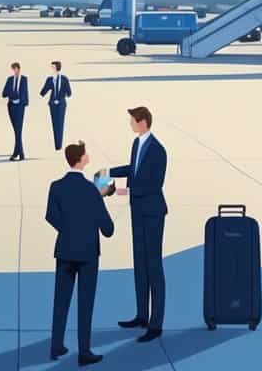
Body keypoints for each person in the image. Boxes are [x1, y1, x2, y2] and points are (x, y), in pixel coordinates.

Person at [46, 140, 114, 366]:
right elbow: (108, 229)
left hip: (65, 250)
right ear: (81, 159)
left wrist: (68, 229)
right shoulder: (92, 190)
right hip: (87, 254)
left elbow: (51, 216)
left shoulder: (56, 186)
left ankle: (56, 345)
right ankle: (84, 351)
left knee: (61, 299)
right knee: (85, 304)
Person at [108, 106, 168, 343]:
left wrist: (121, 190)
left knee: (153, 265)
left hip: (153, 213)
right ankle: (142, 315)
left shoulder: (158, 150)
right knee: (140, 264)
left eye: (132, 120)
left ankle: (156, 324)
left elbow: (154, 185)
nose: (130, 124)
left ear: (143, 122)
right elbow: (132, 170)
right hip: (138, 212)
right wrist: (107, 172)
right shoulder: (137, 144)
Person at [39, 60, 72, 151]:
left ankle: (59, 145)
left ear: (57, 68)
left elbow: (69, 93)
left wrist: (61, 96)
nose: (51, 69)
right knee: (54, 124)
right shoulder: (50, 79)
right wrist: (46, 87)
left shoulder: (64, 79)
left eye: (52, 67)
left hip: (61, 104)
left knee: (60, 124)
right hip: (52, 104)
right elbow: (43, 92)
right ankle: (56, 145)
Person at [2, 62, 28, 161]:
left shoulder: (24, 79)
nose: (14, 71)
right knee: (16, 130)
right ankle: (19, 152)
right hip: (11, 106)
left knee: (18, 130)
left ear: (19, 69)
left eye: (15, 69)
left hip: (20, 107)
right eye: (13, 69)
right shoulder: (9, 80)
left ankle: (18, 153)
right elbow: (4, 93)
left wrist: (21, 101)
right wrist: (12, 94)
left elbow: (25, 93)